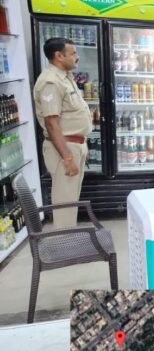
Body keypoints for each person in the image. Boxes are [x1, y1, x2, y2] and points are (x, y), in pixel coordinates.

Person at [33, 38, 93, 228]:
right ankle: (65, 241)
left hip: (74, 144)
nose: (77, 57)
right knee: (64, 202)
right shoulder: (50, 81)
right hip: (64, 149)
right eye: (73, 53)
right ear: (59, 56)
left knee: (71, 198)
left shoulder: (65, 77)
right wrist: (67, 157)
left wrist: (81, 145)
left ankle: (69, 237)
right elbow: (51, 123)